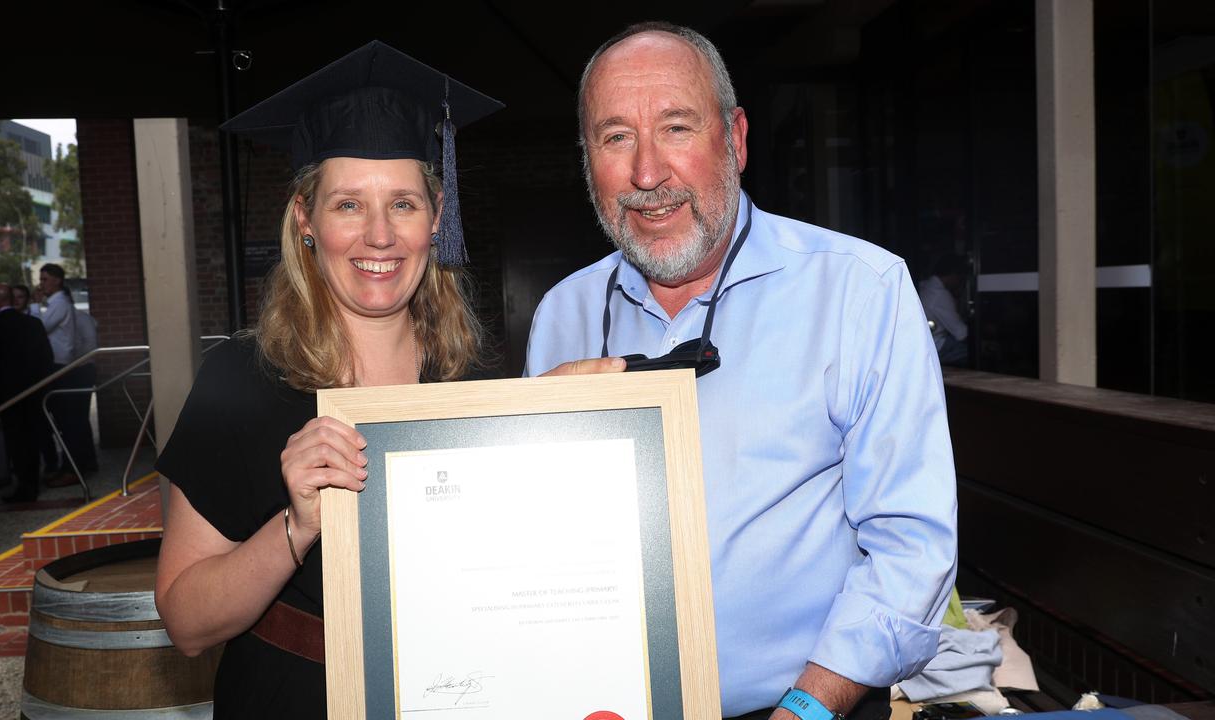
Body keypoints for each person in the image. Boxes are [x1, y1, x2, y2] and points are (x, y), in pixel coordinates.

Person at [525, 23, 958, 720]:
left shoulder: (859, 290)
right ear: (587, 159)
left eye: (675, 127)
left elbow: (913, 549)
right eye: (615, 137)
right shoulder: (561, 315)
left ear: (736, 138)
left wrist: (809, 709)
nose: (646, 173)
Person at [153, 41, 502, 718]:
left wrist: (582, 413)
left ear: (438, 218)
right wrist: (297, 524)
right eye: (348, 205)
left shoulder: (476, 381)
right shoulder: (241, 383)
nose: (378, 236)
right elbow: (187, 625)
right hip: (292, 698)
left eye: (403, 204)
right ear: (306, 220)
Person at [0, 284, 54, 503]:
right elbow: (46, 357)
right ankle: (35, 477)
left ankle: (25, 484)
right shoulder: (33, 324)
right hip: (33, 390)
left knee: (16, 440)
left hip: (8, 395)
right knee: (33, 436)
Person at [37, 263, 97, 483]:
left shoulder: (59, 304)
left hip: (66, 368)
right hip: (71, 367)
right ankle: (80, 464)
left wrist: (34, 307)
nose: (41, 284)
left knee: (70, 422)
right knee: (74, 421)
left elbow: (40, 329)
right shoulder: (62, 306)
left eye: (44, 279)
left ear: (57, 281)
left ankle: (73, 468)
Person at [918, 254, 970, 367]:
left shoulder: (924, 285)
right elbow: (961, 333)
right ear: (953, 275)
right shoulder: (939, 295)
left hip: (925, 342)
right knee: (972, 351)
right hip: (936, 346)